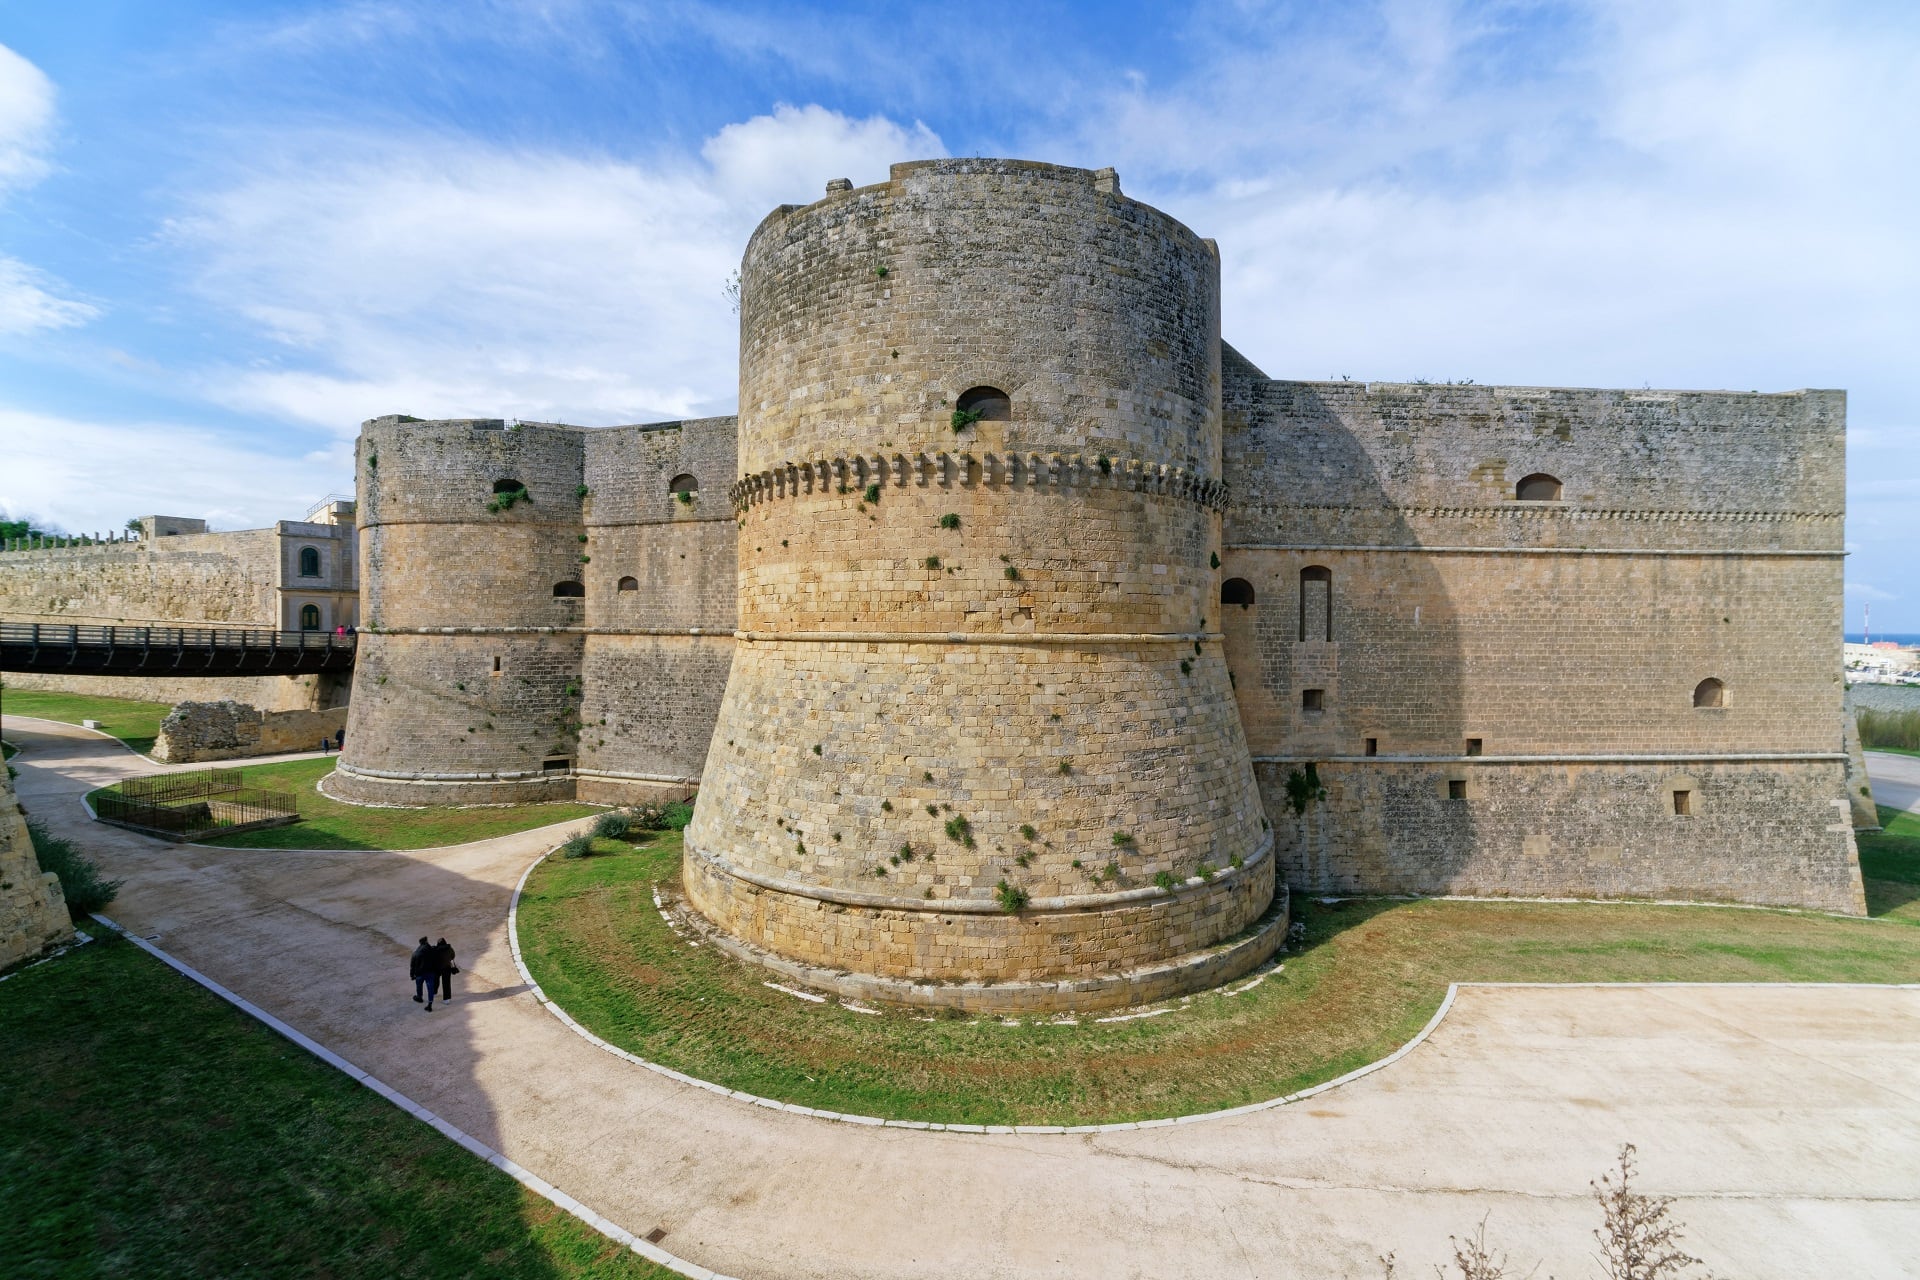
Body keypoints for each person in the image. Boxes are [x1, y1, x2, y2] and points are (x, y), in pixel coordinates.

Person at [409, 936, 436, 1011]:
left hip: (419, 973)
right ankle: (430, 1004)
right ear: (426, 941)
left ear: (420, 943)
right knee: (430, 988)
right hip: (430, 972)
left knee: (419, 985)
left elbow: (412, 965)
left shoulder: (416, 952)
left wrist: (412, 975)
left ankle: (419, 997)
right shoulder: (432, 950)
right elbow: (436, 960)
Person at [432, 936, 458, 1003]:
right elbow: (452, 957)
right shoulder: (450, 949)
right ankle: (447, 999)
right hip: (447, 967)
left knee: (435, 980)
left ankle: (434, 992)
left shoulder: (435, 949)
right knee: (446, 983)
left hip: (436, 968)